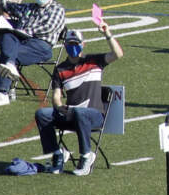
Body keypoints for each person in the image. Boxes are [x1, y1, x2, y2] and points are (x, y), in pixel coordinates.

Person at [38, 19, 121, 178]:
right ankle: (57, 153)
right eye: (69, 44)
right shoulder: (61, 69)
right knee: (43, 114)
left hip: (94, 115)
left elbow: (118, 54)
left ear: (83, 44)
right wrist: (59, 105)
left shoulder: (94, 61)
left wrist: (107, 33)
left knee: (80, 113)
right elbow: (56, 94)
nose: (72, 47)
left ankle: (86, 156)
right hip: (71, 114)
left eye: (76, 43)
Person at [0, 0, 65, 108]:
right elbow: (4, 5)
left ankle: (3, 92)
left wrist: (28, 31)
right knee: (7, 36)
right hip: (22, 41)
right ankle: (9, 69)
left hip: (40, 45)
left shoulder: (57, 9)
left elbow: (50, 27)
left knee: (8, 53)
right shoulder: (29, 7)